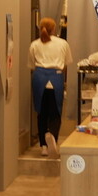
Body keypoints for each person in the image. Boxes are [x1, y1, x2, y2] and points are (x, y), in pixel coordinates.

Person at [28, 17, 72, 158]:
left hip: (39, 78)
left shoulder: (34, 44)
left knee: (41, 113)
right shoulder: (63, 43)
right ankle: (52, 137)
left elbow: (31, 66)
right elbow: (66, 63)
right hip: (56, 78)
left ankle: (43, 146)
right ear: (54, 29)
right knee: (55, 112)